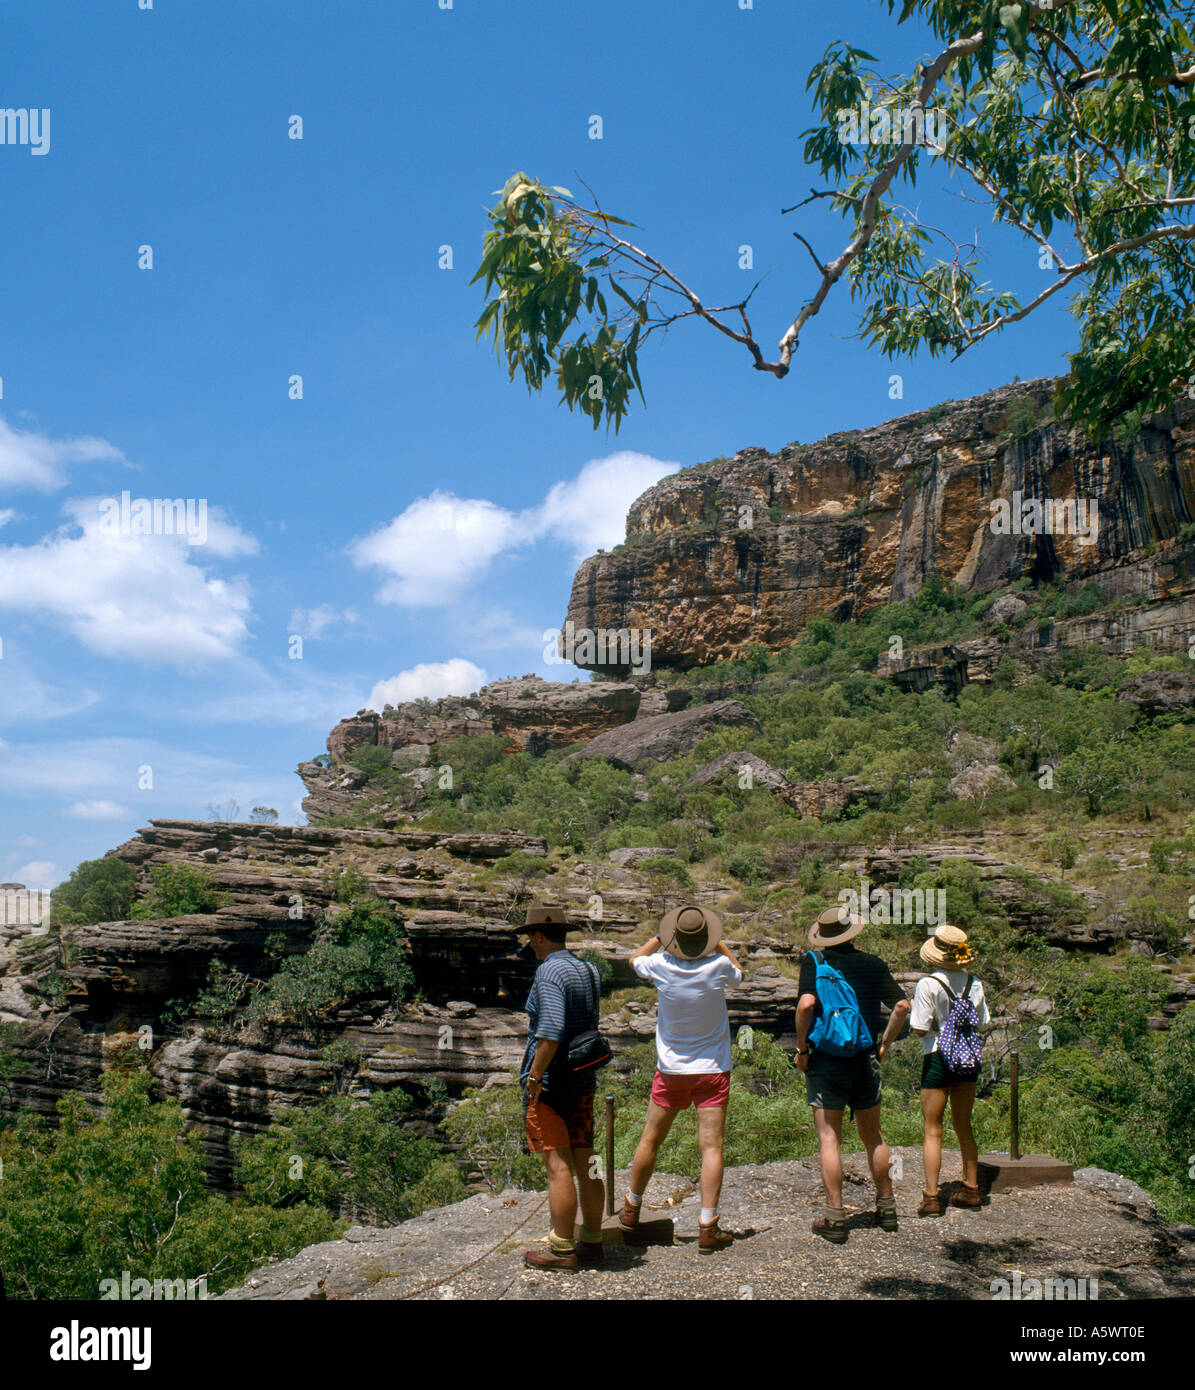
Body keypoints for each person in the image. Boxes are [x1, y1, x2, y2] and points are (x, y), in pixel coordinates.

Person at [619, 905, 744, 1253]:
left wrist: (661, 938)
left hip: (671, 1071)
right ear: (706, 940)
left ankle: (630, 1209)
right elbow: (740, 972)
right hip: (713, 1071)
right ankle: (707, 1226)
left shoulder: (660, 965)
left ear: (675, 939)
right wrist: (719, 944)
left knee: (650, 1140)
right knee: (712, 1147)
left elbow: (633, 959)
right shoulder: (718, 966)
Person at [795, 904, 911, 1243]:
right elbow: (902, 1005)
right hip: (864, 1057)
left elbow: (805, 1005)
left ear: (823, 936)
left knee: (830, 1138)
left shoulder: (815, 961)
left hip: (826, 1060)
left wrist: (802, 1050)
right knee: (873, 1136)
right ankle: (887, 1208)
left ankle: (835, 1218)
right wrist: (884, 1044)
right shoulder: (873, 963)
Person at [517, 903, 607, 1270]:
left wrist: (534, 1076)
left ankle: (562, 1248)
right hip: (583, 1079)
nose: (529, 944)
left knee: (557, 1167)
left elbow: (551, 1032)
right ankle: (593, 1239)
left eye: (530, 937)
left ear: (539, 935)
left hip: (553, 1085)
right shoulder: (588, 969)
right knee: (589, 1162)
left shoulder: (548, 971)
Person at [911, 925, 990, 1216]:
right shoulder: (975, 983)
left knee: (933, 1129)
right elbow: (983, 1023)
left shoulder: (928, 984)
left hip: (937, 1058)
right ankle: (971, 1189)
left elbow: (920, 1028)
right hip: (967, 1058)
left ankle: (932, 1198)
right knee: (963, 1125)